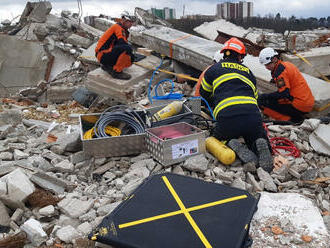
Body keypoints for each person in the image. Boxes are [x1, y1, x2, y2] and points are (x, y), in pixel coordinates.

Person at [200, 37, 273, 172]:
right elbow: (255, 98)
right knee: (256, 136)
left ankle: (231, 143)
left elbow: (203, 94)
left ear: (224, 53)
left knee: (218, 138)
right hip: (253, 117)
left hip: (228, 117)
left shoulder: (213, 69)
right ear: (240, 56)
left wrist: (216, 103)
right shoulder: (249, 73)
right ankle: (258, 144)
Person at [258, 47, 314, 123]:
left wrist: (266, 96)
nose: (266, 67)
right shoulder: (287, 65)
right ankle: (295, 116)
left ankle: (290, 120)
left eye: (268, 64)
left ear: (274, 59)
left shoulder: (280, 72)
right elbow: (288, 78)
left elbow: (283, 93)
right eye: (265, 65)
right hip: (307, 102)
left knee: (263, 103)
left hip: (298, 104)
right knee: (273, 99)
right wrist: (275, 81)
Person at [95, 11, 136, 80]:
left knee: (130, 60)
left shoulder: (123, 29)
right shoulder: (118, 27)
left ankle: (108, 66)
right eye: (129, 22)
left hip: (104, 54)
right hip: (102, 54)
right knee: (127, 49)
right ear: (123, 20)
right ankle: (117, 72)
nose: (131, 24)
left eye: (132, 22)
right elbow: (122, 43)